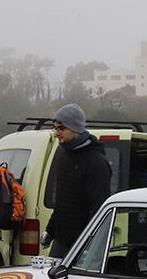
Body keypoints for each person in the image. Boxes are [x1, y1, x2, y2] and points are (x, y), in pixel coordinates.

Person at [41, 103, 111, 258]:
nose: (57, 133)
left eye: (61, 128)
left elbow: (99, 207)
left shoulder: (96, 162)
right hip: (61, 241)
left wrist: (89, 244)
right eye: (55, 128)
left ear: (76, 129)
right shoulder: (63, 154)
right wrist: (50, 230)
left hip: (83, 245)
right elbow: (61, 202)